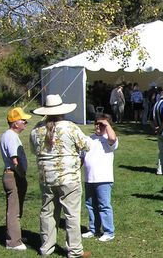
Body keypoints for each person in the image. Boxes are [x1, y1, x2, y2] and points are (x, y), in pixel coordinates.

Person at [29, 94, 91, 257]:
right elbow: (86, 145)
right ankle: (75, 250)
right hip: (68, 177)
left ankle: (46, 247)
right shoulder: (70, 127)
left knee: (48, 212)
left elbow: (33, 150)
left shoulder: (36, 129)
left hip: (46, 177)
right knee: (71, 214)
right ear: (62, 110)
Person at [81, 113, 118, 242]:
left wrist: (106, 125)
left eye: (101, 124)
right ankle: (93, 229)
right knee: (90, 205)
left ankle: (109, 231)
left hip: (103, 178)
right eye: (96, 123)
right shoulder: (88, 139)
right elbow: (82, 157)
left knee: (104, 205)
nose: (98, 126)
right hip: (89, 178)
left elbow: (113, 139)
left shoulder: (109, 139)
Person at [0, 107, 32, 250]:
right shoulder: (11, 136)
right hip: (13, 175)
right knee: (14, 210)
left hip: (13, 175)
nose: (25, 121)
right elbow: (15, 160)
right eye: (22, 120)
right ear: (14, 123)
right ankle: (13, 242)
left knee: (16, 209)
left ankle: (15, 235)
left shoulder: (10, 135)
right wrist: (21, 175)